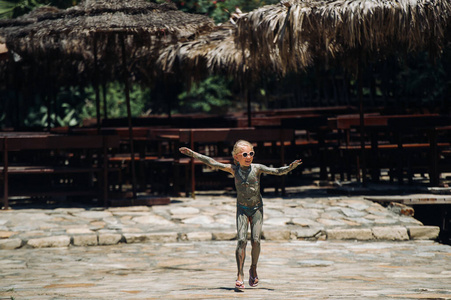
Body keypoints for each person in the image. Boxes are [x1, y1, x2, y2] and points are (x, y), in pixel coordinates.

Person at [179, 140, 302, 290]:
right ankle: (240, 275)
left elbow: (276, 171)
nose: (249, 156)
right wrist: (192, 154)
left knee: (256, 240)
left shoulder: (257, 168)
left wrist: (290, 167)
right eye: (245, 154)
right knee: (241, 240)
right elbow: (212, 162)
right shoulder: (233, 169)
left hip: (256, 208)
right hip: (242, 209)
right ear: (236, 157)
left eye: (251, 153)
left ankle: (253, 268)